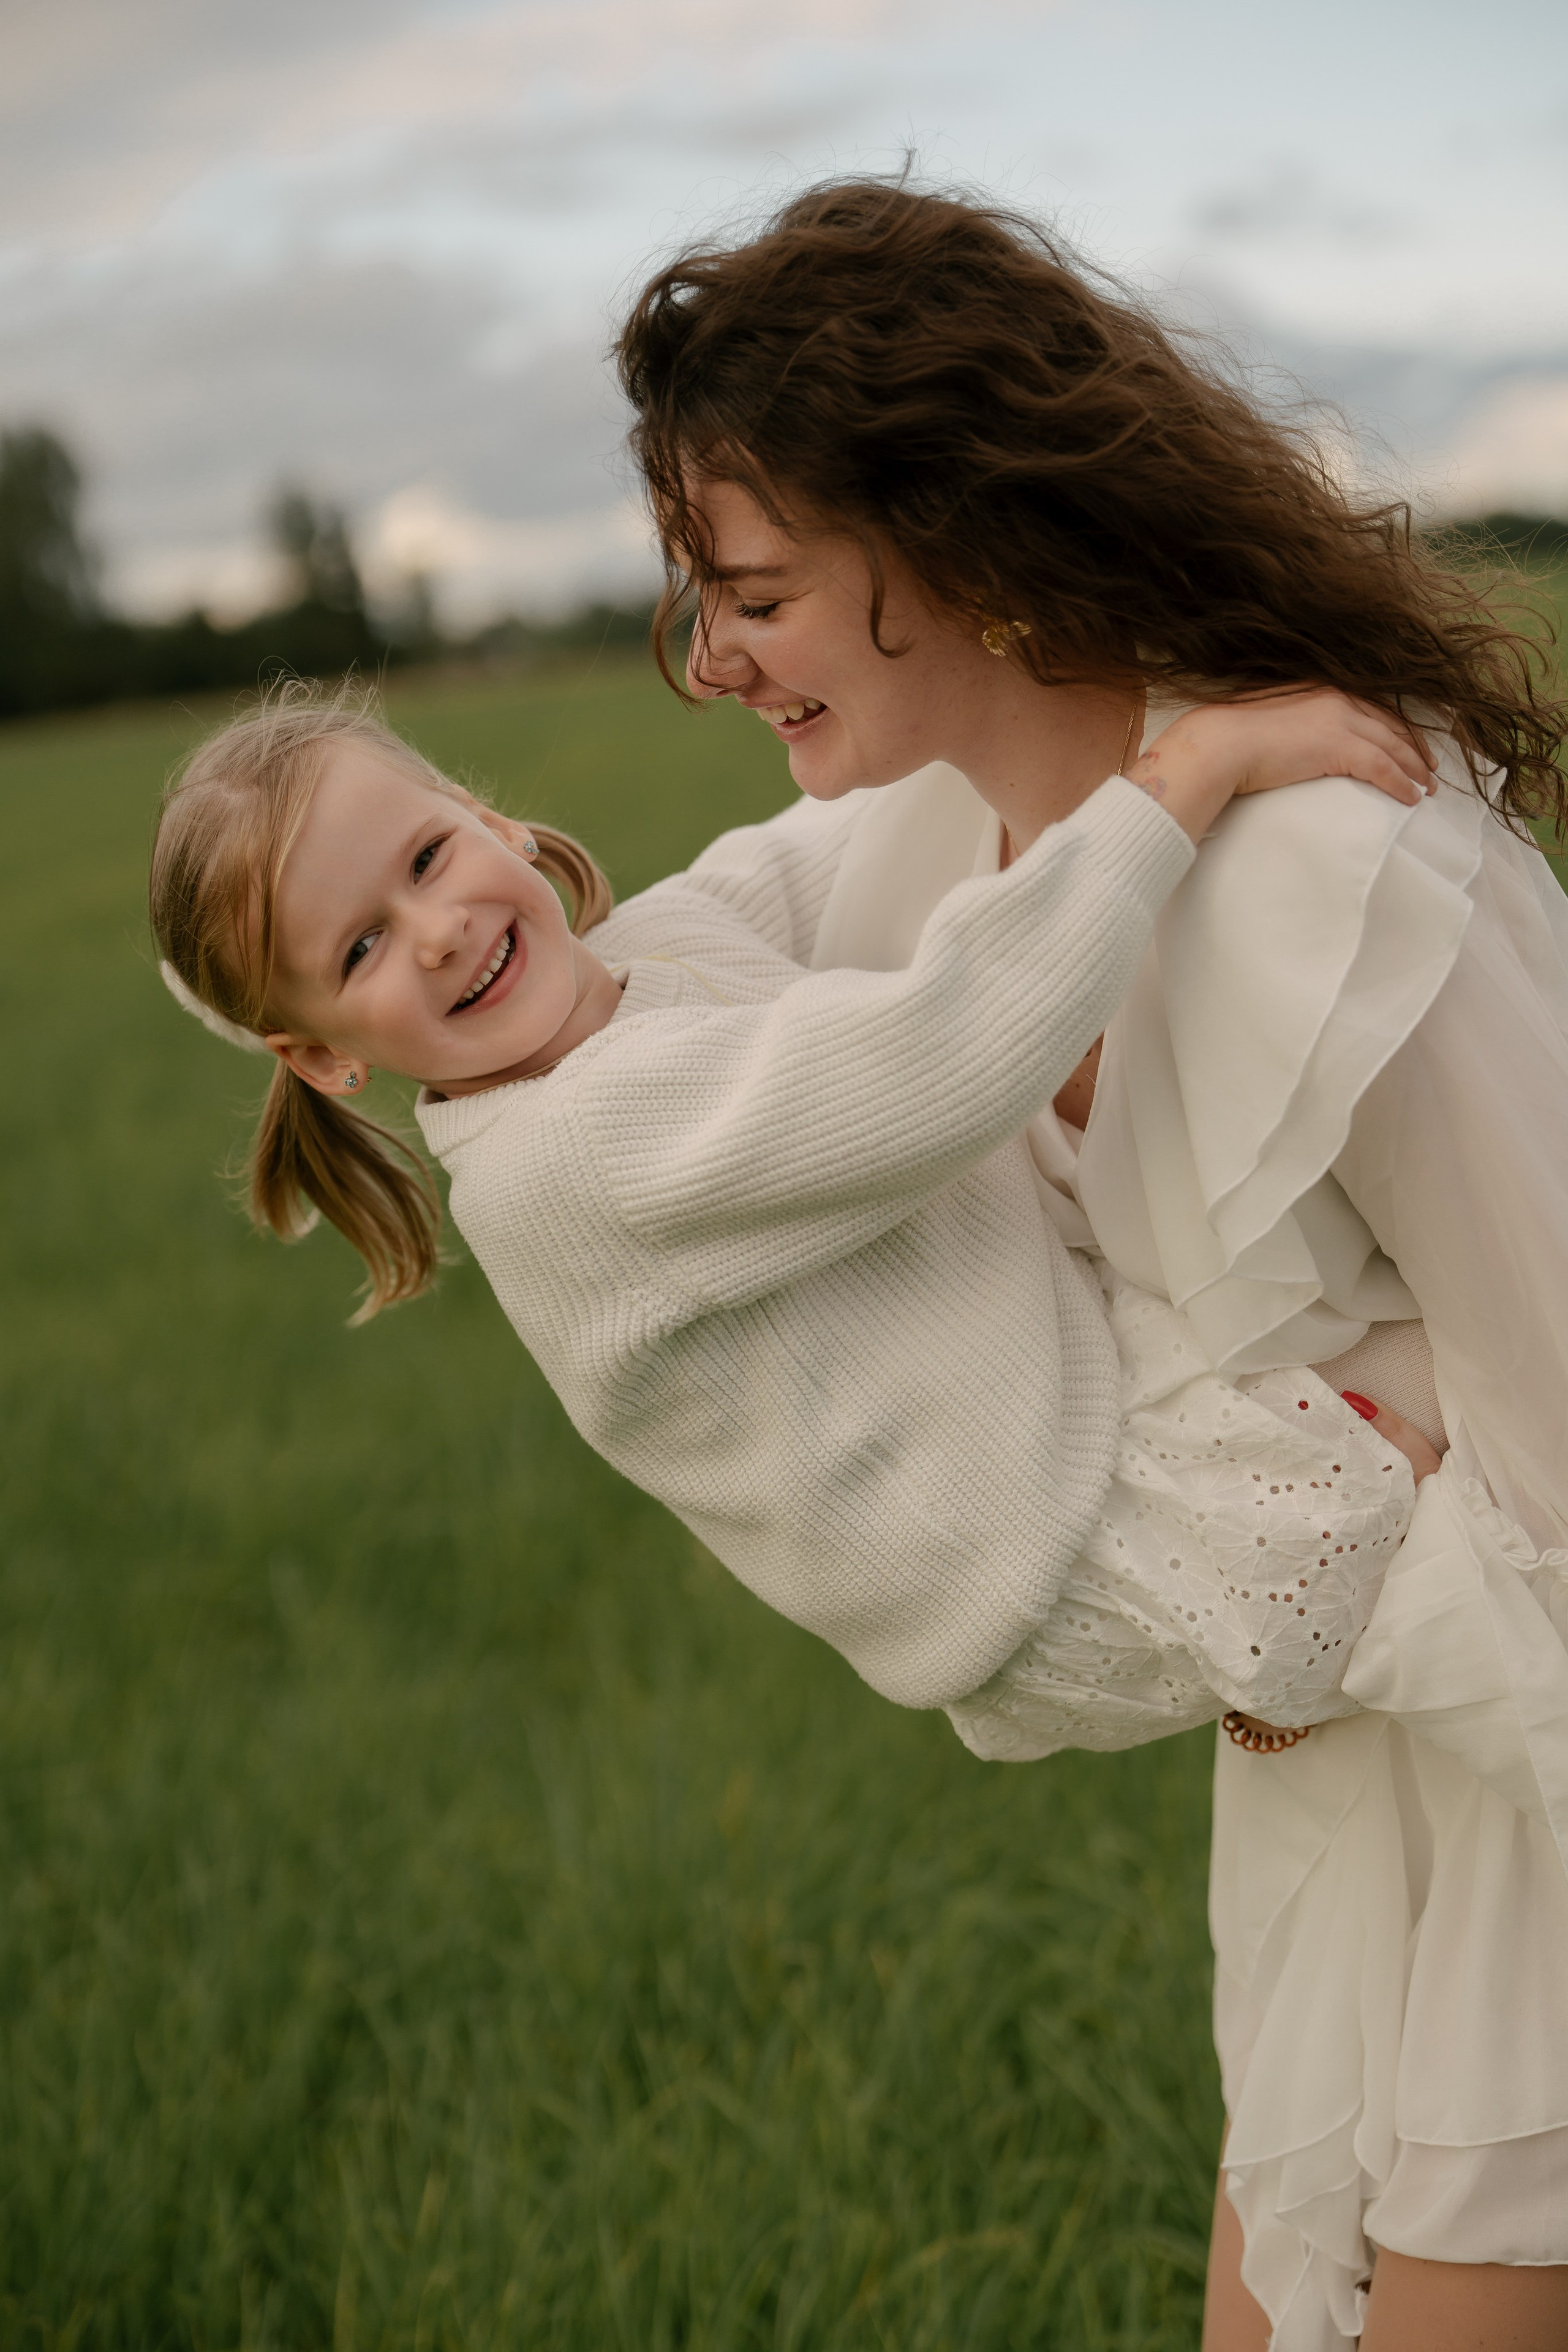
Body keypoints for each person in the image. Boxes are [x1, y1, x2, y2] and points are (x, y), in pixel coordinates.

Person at [611, 178, 1568, 2348]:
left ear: (947, 540)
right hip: (1329, 1802)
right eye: (698, 602)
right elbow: (591, 1037)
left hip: (1534, 1789)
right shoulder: (913, 875)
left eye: (753, 594)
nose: (713, 663)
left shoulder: (1338, 873)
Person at [151, 682, 1434, 1769]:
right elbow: (943, 1053)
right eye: (360, 949)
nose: (435, 934)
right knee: (1473, 1392)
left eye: (428, 859)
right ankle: (1317, 1647)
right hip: (1084, 1540)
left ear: (486, 820)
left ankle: (1317, 1666)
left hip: (1074, 1412)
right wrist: (1187, 769)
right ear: (320, 1055)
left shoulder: (649, 948)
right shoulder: (576, 1152)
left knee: (1393, 1311)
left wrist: (1021, 693)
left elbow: (853, 832)